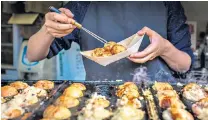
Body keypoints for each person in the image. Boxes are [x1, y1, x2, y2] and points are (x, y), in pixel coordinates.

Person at [27, 1, 194, 81]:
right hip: (101, 101)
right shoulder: (81, 5)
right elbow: (33, 55)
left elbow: (185, 65)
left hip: (158, 99)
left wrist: (164, 48)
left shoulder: (168, 4)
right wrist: (48, 30)